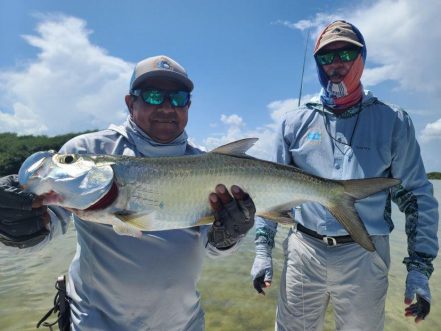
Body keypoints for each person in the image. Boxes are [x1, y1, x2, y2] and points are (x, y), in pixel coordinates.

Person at [0, 55, 255, 330]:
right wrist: (15, 222)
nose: (167, 107)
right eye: (153, 96)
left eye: (178, 98)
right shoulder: (87, 150)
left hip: (184, 322)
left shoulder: (210, 166)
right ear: (130, 102)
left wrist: (230, 235)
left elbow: (214, 251)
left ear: (189, 105)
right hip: (97, 323)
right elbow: (44, 228)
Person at [251, 20, 439, 330]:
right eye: (326, 57)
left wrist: (419, 269)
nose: (335, 64)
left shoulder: (392, 121)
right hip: (304, 251)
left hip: (364, 254)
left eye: (346, 54)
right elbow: (269, 192)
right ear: (317, 65)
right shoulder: (294, 122)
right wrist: (262, 251)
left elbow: (416, 198)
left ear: (362, 58)